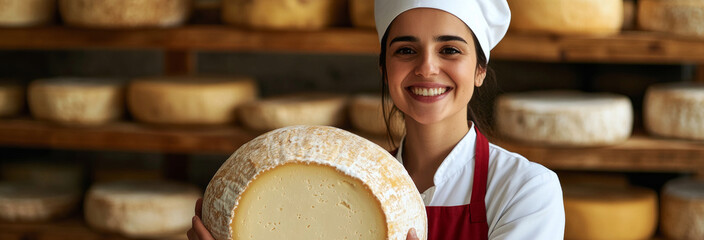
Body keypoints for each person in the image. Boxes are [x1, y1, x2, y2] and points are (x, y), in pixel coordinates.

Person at [188, 0, 565, 239]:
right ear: (385, 69)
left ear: (480, 69)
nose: (427, 68)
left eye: (450, 49)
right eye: (406, 50)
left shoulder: (526, 190)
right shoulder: (336, 189)